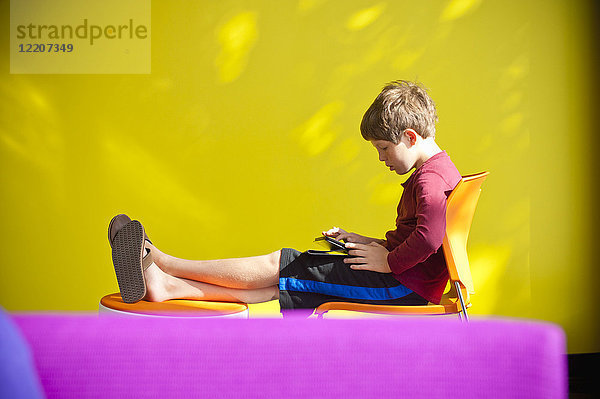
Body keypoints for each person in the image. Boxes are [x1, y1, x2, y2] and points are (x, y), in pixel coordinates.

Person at [108, 80, 461, 315]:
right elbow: (422, 232)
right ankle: (166, 285)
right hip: (404, 282)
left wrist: (390, 262)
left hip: (398, 287)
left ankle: (163, 261)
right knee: (280, 281)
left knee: (282, 265)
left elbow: (429, 237)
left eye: (384, 148)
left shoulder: (429, 182)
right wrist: (366, 242)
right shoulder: (442, 171)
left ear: (411, 137)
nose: (382, 158)